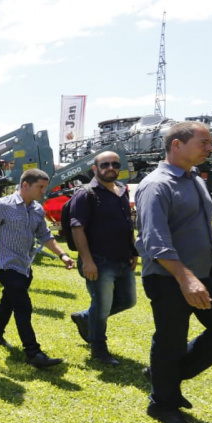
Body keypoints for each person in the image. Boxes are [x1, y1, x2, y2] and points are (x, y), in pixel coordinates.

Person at [135, 121, 212, 423]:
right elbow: (155, 242)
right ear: (177, 145)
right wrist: (186, 279)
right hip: (169, 278)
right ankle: (162, 404)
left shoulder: (194, 178)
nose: (209, 147)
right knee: (171, 340)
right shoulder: (156, 185)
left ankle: (164, 376)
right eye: (203, 142)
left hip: (204, 274)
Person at [0, 168, 75, 368]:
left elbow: (45, 236)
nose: (43, 191)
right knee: (23, 306)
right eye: (40, 187)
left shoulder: (37, 209)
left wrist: (62, 254)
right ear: (25, 185)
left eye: (44, 187)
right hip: (6, 266)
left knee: (9, 299)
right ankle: (33, 353)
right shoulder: (2, 206)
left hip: (25, 266)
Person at [68, 151, 138, 366]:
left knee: (128, 301)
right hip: (99, 261)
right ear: (95, 169)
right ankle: (99, 350)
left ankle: (85, 317)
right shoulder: (86, 193)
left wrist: (133, 250)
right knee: (102, 304)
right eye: (105, 164)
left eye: (115, 164)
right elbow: (77, 227)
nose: (111, 168)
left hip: (123, 258)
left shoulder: (121, 191)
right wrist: (87, 260)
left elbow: (127, 224)